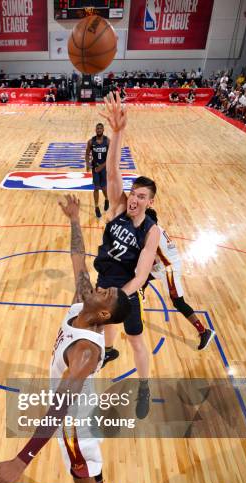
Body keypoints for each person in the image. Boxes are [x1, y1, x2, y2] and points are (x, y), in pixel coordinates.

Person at [0, 193, 132, 483]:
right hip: (78, 405)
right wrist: (75, 220)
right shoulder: (83, 302)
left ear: (105, 314)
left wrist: (21, 460)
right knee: (89, 462)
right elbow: (78, 259)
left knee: (80, 470)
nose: (100, 288)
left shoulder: (85, 352)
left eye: (106, 293)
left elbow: (59, 409)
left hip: (73, 419)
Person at [95, 92, 160, 418]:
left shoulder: (151, 230)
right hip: (105, 280)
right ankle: (108, 351)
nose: (134, 199)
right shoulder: (118, 207)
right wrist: (117, 133)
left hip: (128, 290)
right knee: (104, 325)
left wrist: (119, 296)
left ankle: (144, 387)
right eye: (134, 193)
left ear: (149, 202)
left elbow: (141, 275)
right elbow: (111, 171)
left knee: (135, 342)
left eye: (141, 196)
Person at [142, 208, 215, 350]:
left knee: (178, 303)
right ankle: (141, 295)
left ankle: (204, 331)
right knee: (141, 275)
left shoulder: (151, 234)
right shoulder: (157, 228)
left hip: (169, 269)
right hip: (165, 263)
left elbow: (151, 258)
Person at [85, 123, 110, 219]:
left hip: (104, 167)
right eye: (97, 128)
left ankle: (107, 199)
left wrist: (102, 166)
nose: (99, 130)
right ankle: (96, 207)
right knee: (96, 187)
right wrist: (87, 164)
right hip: (95, 167)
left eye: (100, 128)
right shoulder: (91, 141)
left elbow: (111, 157)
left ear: (103, 129)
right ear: (95, 130)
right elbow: (87, 154)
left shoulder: (107, 141)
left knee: (104, 187)